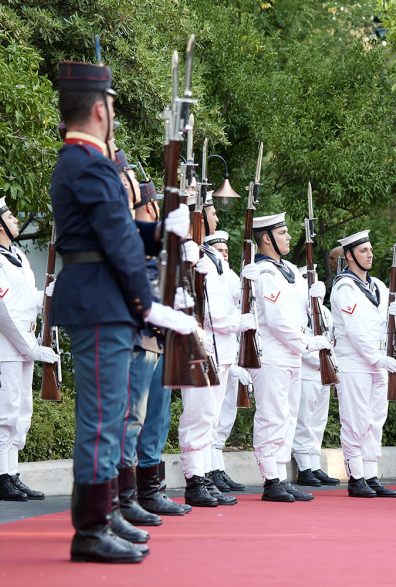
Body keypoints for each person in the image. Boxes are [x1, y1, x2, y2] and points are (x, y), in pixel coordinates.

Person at [49, 61, 196, 564]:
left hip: (101, 301)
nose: (113, 112)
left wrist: (162, 233)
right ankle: (90, 528)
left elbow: (123, 232)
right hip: (98, 303)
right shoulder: (87, 163)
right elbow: (116, 242)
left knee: (111, 418)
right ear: (98, 109)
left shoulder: (90, 162)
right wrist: (151, 305)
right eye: (111, 105)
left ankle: (106, 512)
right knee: (101, 420)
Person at [0, 198, 58, 502]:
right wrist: (31, 349)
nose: (15, 220)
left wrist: (48, 297)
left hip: (26, 346)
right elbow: (2, 310)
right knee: (3, 413)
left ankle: (12, 473)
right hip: (7, 347)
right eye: (11, 217)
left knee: (21, 412)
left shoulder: (19, 257)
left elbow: (25, 301)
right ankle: (0, 477)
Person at [179, 196, 254, 508]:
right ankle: (194, 481)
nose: (217, 218)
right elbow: (214, 317)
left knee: (210, 420)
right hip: (202, 350)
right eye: (211, 213)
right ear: (199, 219)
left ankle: (205, 476)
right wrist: (240, 321)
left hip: (221, 355)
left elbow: (238, 296)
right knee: (197, 417)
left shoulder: (218, 264)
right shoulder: (202, 263)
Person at [251, 212, 330, 502]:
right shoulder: (263, 272)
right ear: (267, 238)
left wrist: (315, 298)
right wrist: (308, 343)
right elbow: (276, 319)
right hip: (272, 354)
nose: (288, 237)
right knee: (271, 416)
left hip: (292, 356)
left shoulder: (292, 271)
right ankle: (270, 478)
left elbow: (302, 314)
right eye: (282, 233)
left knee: (287, 418)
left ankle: (280, 476)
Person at [126, 180, 192, 519]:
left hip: (159, 339)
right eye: (151, 206)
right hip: (140, 336)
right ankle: (129, 495)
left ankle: (150, 489)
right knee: (133, 419)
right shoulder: (133, 241)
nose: (153, 212)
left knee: (158, 418)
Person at [331, 230, 396, 498]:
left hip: (378, 362)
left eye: (371, 250)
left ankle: (371, 474)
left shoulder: (380, 287)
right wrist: (376, 358)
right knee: (355, 419)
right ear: (349, 256)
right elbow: (354, 330)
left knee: (375, 420)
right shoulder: (344, 287)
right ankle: (355, 476)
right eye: (363, 251)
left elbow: (386, 326)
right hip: (355, 362)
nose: (370, 254)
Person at [206, 230, 252, 494]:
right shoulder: (211, 274)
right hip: (216, 355)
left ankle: (218, 468)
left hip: (231, 356)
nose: (224, 254)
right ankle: (211, 471)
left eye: (226, 250)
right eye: (219, 250)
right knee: (211, 417)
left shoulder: (231, 275)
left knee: (226, 418)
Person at [293, 265, 340, 487]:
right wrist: (318, 360)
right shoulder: (297, 309)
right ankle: (303, 467)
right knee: (304, 420)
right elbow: (299, 341)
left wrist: (330, 364)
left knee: (318, 421)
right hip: (306, 371)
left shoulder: (324, 311)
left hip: (323, 372)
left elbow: (332, 340)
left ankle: (314, 463)